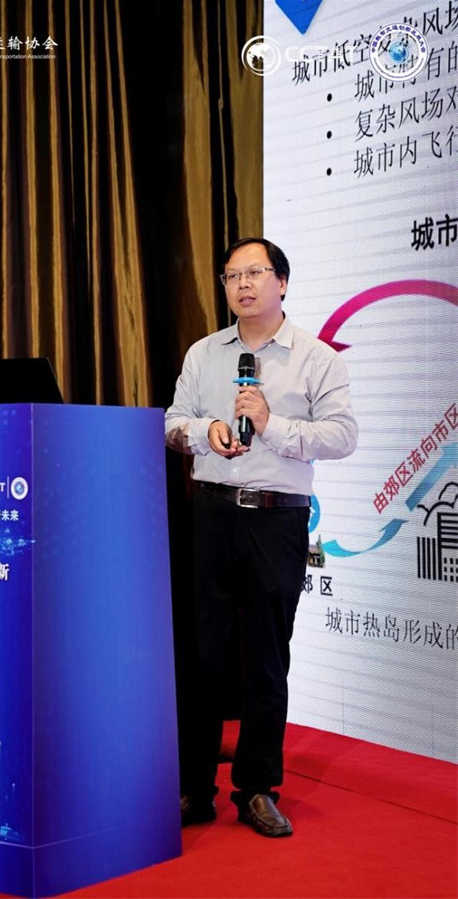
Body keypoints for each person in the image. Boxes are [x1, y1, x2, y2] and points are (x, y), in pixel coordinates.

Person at [165, 237, 358, 837]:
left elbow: (342, 436)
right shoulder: (203, 353)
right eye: (232, 276)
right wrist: (206, 429)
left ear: (282, 282)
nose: (242, 285)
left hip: (277, 519)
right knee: (202, 655)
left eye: (255, 273)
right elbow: (172, 423)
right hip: (212, 514)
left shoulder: (316, 358)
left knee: (267, 657)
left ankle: (256, 787)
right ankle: (194, 788)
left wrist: (272, 426)